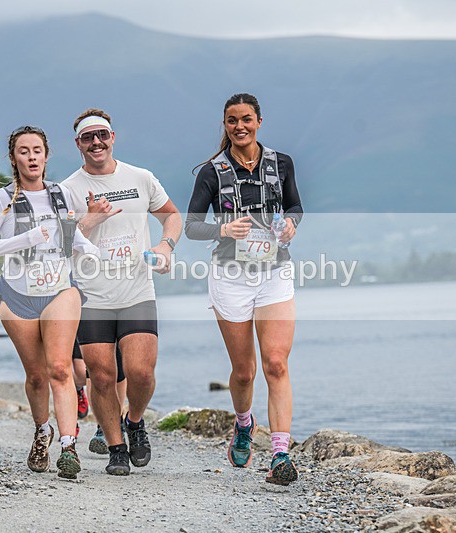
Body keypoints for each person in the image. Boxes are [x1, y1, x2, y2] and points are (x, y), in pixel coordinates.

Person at [185, 93, 303, 486]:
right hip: (230, 276)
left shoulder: (280, 163)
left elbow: (296, 207)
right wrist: (223, 228)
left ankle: (281, 454)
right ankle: (242, 424)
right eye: (232, 120)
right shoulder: (211, 172)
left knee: (276, 363)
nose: (240, 126)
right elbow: (191, 226)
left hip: (274, 273)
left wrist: (291, 226)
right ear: (225, 125)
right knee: (244, 370)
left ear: (259, 121)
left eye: (247, 119)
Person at [0, 125, 99, 480]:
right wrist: (25, 237)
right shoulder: (3, 200)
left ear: (47, 156)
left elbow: (73, 239)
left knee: (60, 368)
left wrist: (94, 252)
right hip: (17, 296)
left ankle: (68, 447)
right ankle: (42, 430)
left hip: (60, 290)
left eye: (37, 150)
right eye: (24, 151)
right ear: (14, 158)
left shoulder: (62, 196)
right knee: (36, 375)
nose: (31, 157)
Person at [62, 108, 182, 475]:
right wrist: (89, 220)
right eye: (88, 137)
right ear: (78, 144)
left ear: (113, 137)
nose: (96, 142)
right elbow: (60, 243)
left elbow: (172, 215)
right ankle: (116, 447)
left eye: (102, 135)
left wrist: (165, 247)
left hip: (136, 289)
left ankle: (135, 421)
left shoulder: (140, 178)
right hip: (92, 295)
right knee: (101, 376)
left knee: (141, 373)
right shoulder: (68, 189)